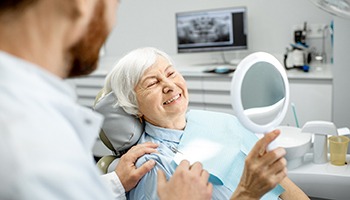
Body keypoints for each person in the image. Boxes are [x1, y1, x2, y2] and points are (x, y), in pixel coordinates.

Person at [0, 1, 212, 199]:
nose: (113, 21)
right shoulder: (28, 141)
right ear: (83, 3)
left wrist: (116, 182)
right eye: (116, 4)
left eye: (171, 73)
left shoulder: (26, 114)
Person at [100, 47, 310, 200]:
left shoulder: (221, 121)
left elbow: (280, 182)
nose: (169, 85)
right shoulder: (152, 165)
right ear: (134, 107)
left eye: (171, 73)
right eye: (152, 83)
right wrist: (248, 193)